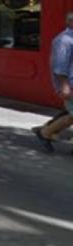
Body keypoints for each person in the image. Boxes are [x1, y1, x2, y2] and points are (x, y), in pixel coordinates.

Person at [34, 12, 73, 153]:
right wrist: (64, 86)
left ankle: (45, 131)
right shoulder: (64, 40)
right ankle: (45, 133)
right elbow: (60, 66)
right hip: (69, 84)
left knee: (70, 116)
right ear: (69, 22)